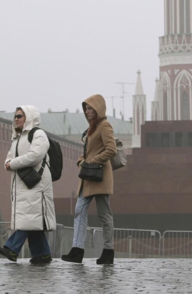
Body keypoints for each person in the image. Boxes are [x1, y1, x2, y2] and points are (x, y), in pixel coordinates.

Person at [0, 106, 56, 265]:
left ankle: (12, 248)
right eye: (15, 116)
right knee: (31, 220)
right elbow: (8, 158)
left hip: (37, 184)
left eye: (19, 116)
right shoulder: (16, 137)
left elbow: (35, 156)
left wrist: (13, 164)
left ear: (28, 117)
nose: (16, 119)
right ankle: (42, 254)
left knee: (28, 219)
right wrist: (8, 164)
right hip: (22, 184)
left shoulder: (38, 134)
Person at [61, 94, 117, 265]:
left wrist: (92, 162)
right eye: (86, 108)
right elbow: (87, 152)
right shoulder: (91, 128)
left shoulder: (104, 126)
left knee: (104, 215)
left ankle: (108, 251)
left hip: (99, 177)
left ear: (98, 109)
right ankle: (77, 250)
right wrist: (81, 161)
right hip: (88, 177)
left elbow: (111, 149)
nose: (87, 111)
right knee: (79, 210)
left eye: (90, 108)